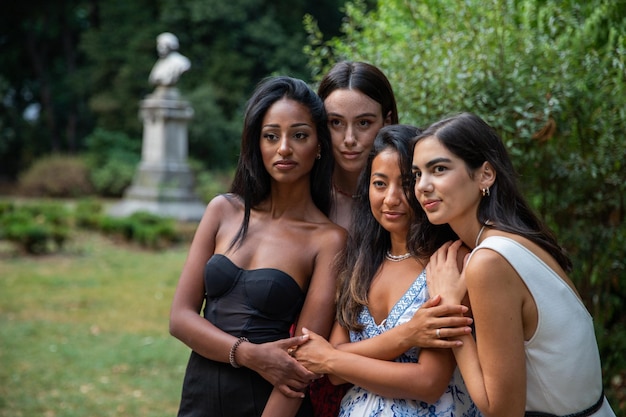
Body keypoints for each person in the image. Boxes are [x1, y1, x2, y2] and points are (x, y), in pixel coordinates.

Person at [410, 112, 616, 417]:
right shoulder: (517, 240)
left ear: (485, 175)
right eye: (416, 174)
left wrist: (451, 314)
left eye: (439, 169)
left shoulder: (489, 261)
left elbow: (502, 411)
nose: (423, 186)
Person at [169, 76, 346, 417]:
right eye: (271, 136)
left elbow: (301, 365)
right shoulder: (223, 210)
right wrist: (248, 353)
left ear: (319, 145)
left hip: (268, 403)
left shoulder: (328, 240)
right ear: (257, 143)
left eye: (299, 135)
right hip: (198, 395)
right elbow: (180, 318)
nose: (284, 148)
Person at [311, 60, 473, 417]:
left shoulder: (446, 263)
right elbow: (331, 364)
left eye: (406, 182)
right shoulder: (361, 258)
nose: (391, 198)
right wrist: (407, 335)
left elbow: (430, 381)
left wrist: (332, 359)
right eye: (379, 184)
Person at [317, 61, 399, 230]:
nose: (349, 139)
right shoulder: (304, 194)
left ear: (387, 122)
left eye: (363, 123)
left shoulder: (411, 194)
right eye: (336, 122)